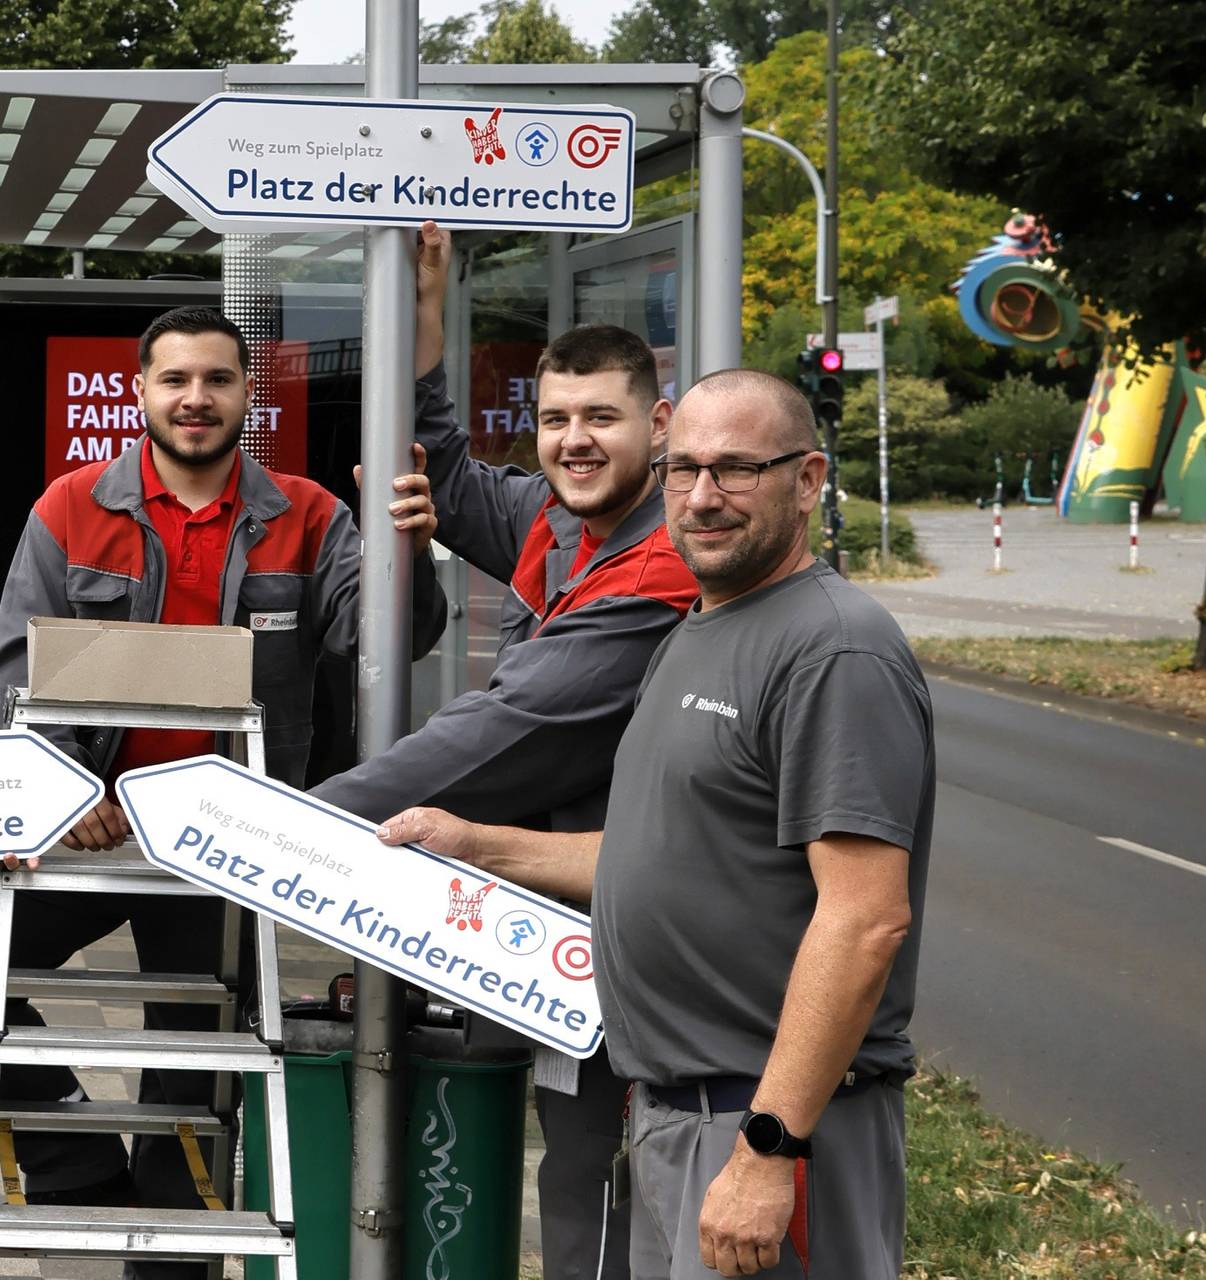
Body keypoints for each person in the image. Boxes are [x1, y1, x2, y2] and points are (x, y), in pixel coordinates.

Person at [377, 369, 935, 1279]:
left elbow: (866, 918)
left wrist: (767, 1146)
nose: (703, 498)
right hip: (676, 1112)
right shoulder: (698, 631)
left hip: (764, 1121)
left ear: (807, 480)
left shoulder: (834, 650)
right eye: (684, 470)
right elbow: (658, 856)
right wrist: (478, 844)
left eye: (737, 470)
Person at [0, 302, 444, 1271]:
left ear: (245, 393)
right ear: (139, 390)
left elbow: (383, 639)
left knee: (191, 1095)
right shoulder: (68, 506)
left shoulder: (309, 515)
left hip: (222, 839)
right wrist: (63, 791)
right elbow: (13, 673)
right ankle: (80, 1168)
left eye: (216, 378)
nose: (195, 397)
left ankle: (164, 1255)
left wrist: (412, 554)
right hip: (91, 827)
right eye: (174, 378)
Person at [312, 223, 697, 1280]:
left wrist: (289, 826)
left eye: (602, 418)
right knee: (573, 1172)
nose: (575, 439)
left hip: (637, 934)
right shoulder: (557, 518)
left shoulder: (659, 564)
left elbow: (493, 734)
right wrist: (429, 314)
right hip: (560, 927)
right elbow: (440, 460)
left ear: (657, 424)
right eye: (556, 418)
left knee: (611, 1183)